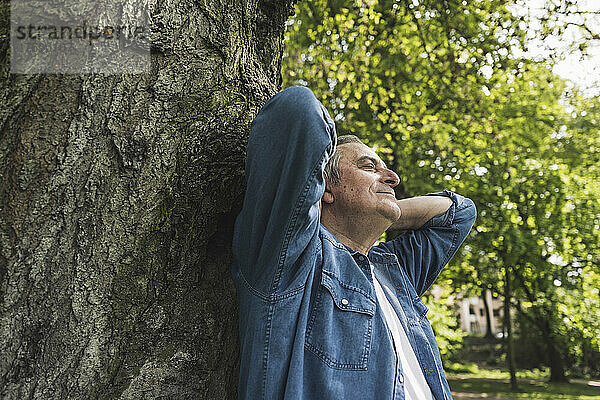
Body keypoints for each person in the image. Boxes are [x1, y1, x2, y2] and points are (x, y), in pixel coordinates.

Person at [232, 86, 476, 400]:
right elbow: (298, 110)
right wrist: (320, 204)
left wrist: (387, 212)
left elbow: (459, 213)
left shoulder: (393, 270)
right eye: (368, 167)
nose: (392, 177)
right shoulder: (292, 258)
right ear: (324, 188)